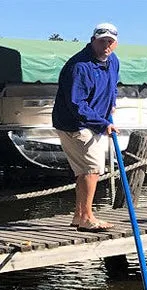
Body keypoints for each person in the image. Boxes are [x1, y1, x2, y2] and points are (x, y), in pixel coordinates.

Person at [52, 22, 120, 232]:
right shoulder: (80, 66)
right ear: (93, 41)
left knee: (84, 171)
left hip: (94, 121)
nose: (106, 46)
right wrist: (103, 123)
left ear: (115, 43)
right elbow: (77, 104)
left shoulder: (113, 61)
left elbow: (112, 85)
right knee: (92, 169)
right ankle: (87, 218)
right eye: (102, 41)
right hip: (77, 124)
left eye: (110, 42)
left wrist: (112, 104)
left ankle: (79, 215)